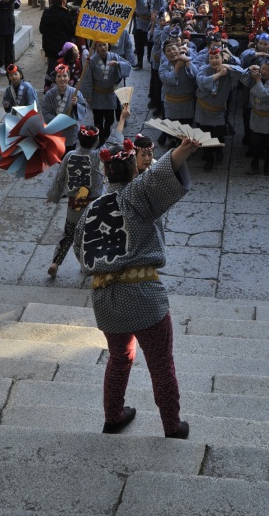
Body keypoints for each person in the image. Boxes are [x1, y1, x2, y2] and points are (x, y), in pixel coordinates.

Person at [73, 136, 201, 438]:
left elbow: (80, 253)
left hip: (105, 300)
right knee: (160, 363)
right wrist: (181, 151)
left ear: (106, 174)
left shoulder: (90, 210)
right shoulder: (135, 194)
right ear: (133, 171)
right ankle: (172, 425)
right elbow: (158, 176)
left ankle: (113, 416)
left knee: (119, 359)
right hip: (143, 295)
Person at [46, 124, 103, 279]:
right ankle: (87, 264)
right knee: (92, 235)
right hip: (93, 207)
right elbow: (113, 142)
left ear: (78, 139)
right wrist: (122, 119)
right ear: (96, 141)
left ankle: (55, 263)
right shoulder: (97, 156)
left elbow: (60, 178)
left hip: (75, 206)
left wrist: (53, 196)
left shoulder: (70, 155)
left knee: (68, 234)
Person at [83, 43, 132, 145]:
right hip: (97, 94)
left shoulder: (114, 56)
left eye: (104, 45)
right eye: (100, 45)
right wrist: (88, 95)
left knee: (110, 119)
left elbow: (128, 65)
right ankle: (101, 138)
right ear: (96, 48)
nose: (103, 47)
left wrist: (118, 64)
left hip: (110, 93)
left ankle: (106, 130)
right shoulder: (91, 60)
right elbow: (87, 78)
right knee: (98, 120)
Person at [41, 65, 87, 151]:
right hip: (57, 132)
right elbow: (46, 112)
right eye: (59, 76)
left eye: (65, 76)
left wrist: (76, 104)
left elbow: (83, 110)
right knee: (59, 158)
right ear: (55, 79)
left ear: (69, 77)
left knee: (70, 156)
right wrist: (59, 122)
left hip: (71, 132)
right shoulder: (49, 95)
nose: (62, 79)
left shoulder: (75, 92)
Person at [39, 0, 77, 71]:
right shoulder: (64, 14)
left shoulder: (46, 12)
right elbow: (71, 31)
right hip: (62, 47)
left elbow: (41, 30)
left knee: (51, 67)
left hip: (48, 46)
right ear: (63, 2)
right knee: (62, 69)